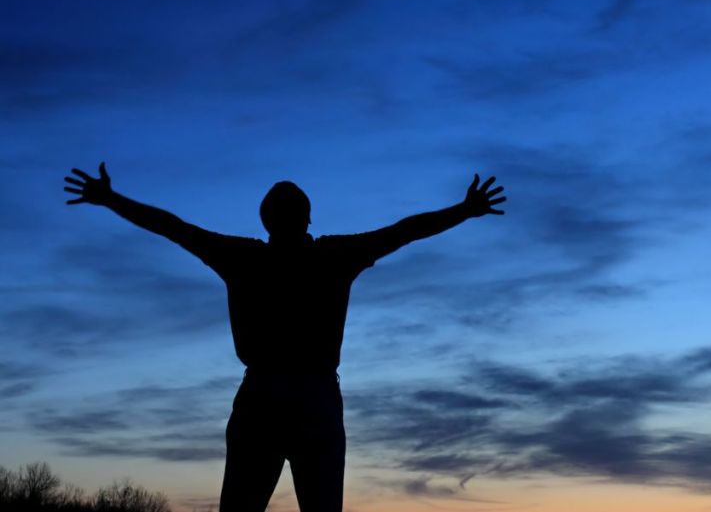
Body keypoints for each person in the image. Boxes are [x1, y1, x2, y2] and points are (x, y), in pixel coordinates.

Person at [63, 163, 506, 512]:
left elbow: (173, 227)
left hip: (268, 397)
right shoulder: (331, 256)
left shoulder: (244, 257)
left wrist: (110, 199)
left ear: (266, 220)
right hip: (307, 398)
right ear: (307, 218)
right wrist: (463, 210)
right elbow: (403, 230)